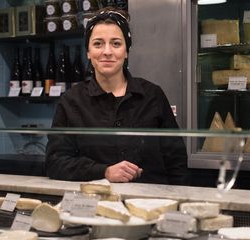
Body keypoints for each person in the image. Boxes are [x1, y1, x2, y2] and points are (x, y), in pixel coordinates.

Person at [45, 7, 191, 185]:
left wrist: (177, 202)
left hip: (150, 205)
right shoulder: (71, 101)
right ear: (88, 52)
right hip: (95, 205)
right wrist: (104, 171)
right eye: (98, 44)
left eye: (116, 43)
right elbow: (55, 162)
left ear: (126, 51)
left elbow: (176, 160)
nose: (107, 51)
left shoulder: (152, 95)